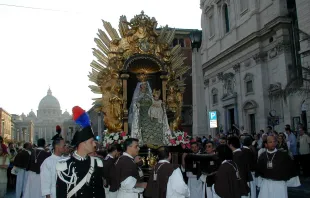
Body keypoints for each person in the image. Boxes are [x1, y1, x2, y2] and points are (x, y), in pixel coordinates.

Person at [56, 106, 105, 198]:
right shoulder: (65, 166)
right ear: (83, 144)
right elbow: (61, 194)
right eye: (91, 141)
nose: (95, 144)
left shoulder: (97, 163)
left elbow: (100, 192)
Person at [129, 81, 170, 145]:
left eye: (145, 84)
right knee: (144, 124)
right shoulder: (138, 94)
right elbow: (134, 102)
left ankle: (156, 141)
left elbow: (154, 100)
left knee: (157, 123)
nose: (144, 86)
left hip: (151, 111)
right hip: (142, 112)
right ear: (140, 86)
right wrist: (137, 104)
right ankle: (146, 141)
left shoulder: (149, 93)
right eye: (142, 85)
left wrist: (159, 104)